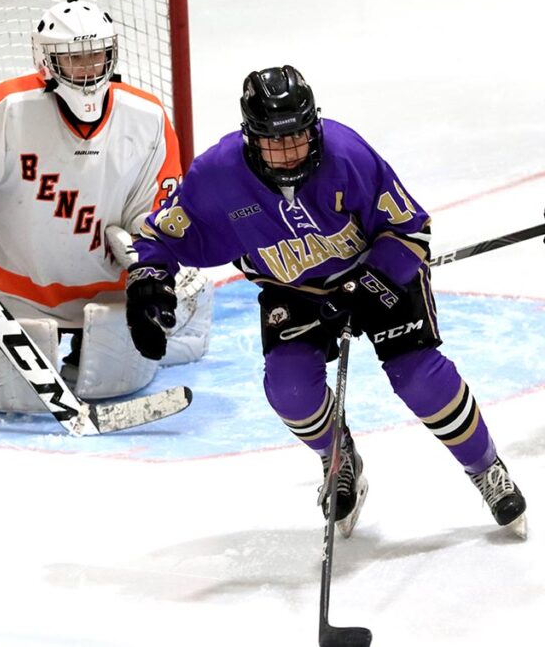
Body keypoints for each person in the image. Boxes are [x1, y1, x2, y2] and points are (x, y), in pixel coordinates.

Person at [125, 64, 527, 537]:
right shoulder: (218, 175)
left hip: (377, 272)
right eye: (274, 141)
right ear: (250, 137)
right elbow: (162, 235)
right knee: (290, 390)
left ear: (313, 125)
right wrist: (148, 279)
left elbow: (410, 230)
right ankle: (338, 458)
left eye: (296, 136)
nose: (288, 152)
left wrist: (369, 287)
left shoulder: (346, 154)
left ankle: (485, 467)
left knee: (419, 379)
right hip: (292, 290)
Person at [0, 0, 212, 414]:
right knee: (11, 396)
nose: (88, 70)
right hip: (12, 298)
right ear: (46, 61)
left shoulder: (145, 117)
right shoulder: (8, 109)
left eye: (96, 56)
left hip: (109, 299)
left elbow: (157, 214)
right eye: (74, 59)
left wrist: (150, 275)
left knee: (114, 383)